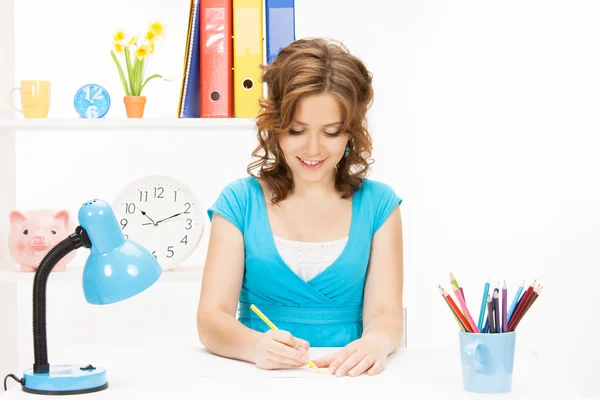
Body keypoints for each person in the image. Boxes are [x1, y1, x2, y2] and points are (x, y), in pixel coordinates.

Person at [196, 37, 404, 378]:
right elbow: (211, 319)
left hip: (349, 382)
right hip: (256, 380)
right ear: (275, 128)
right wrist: (254, 346)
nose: (312, 148)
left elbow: (385, 312)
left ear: (350, 133)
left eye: (331, 132)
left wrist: (377, 341)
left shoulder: (379, 205)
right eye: (296, 130)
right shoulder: (239, 202)